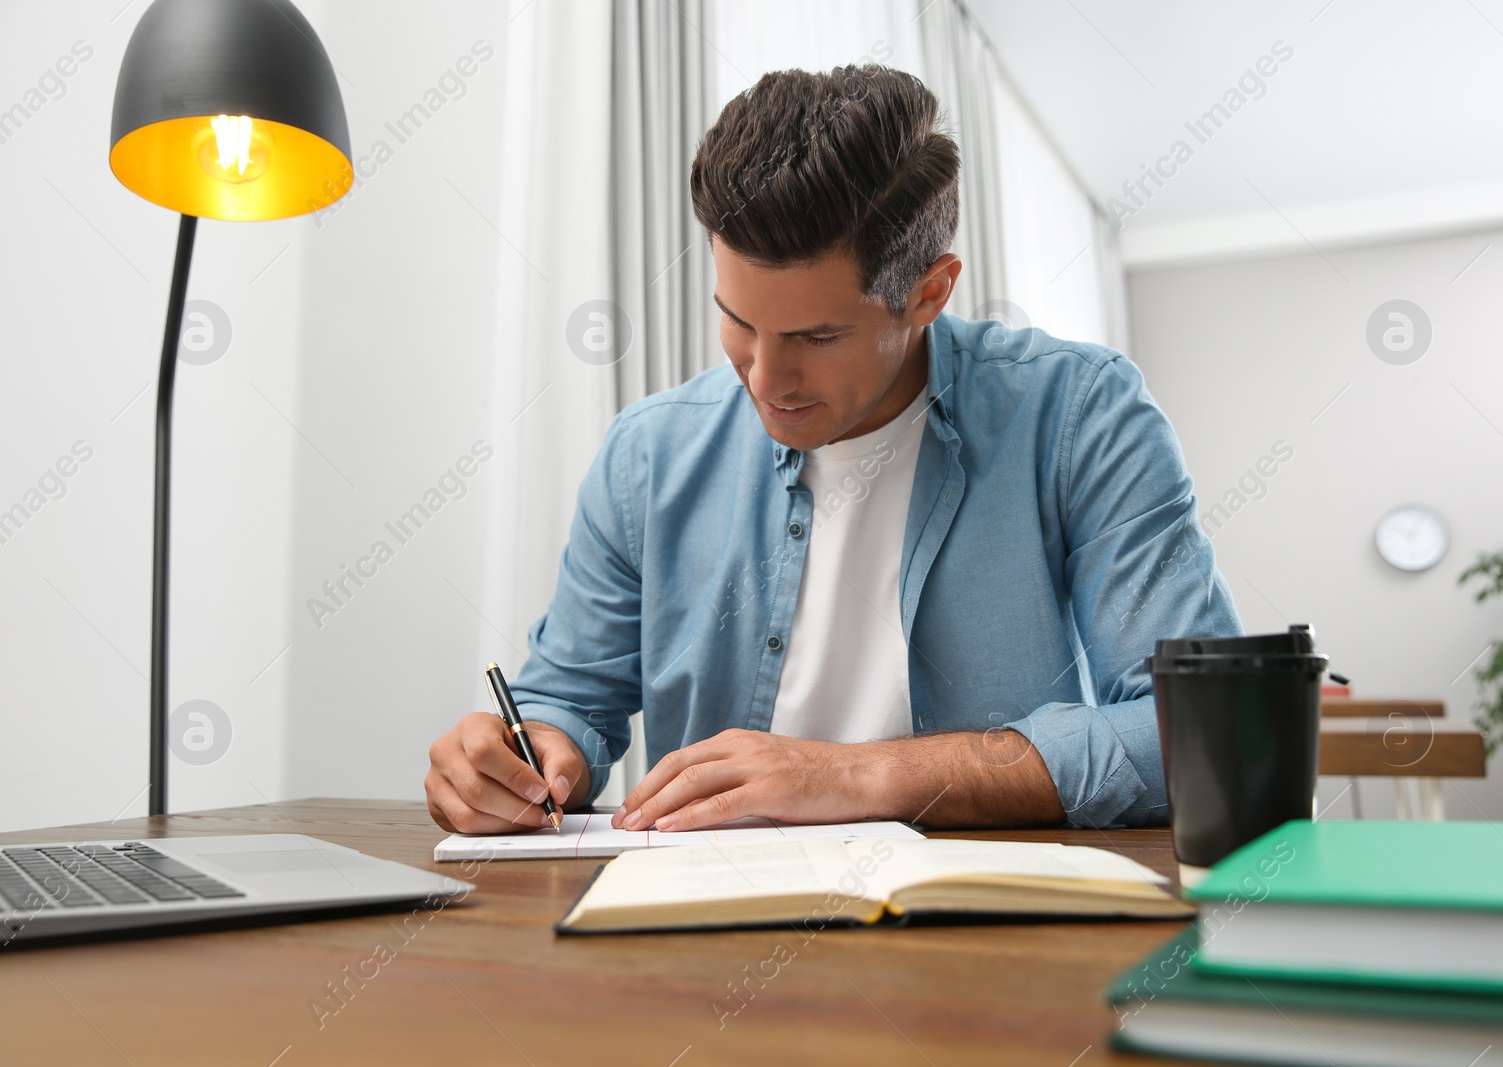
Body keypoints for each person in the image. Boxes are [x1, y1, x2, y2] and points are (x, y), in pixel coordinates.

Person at [425, 64, 1241, 836]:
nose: (765, 378)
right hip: (701, 929)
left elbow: (1206, 730)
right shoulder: (649, 453)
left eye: (817, 335)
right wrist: (523, 754)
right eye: (739, 322)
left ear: (929, 291)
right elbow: (566, 699)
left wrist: (859, 776)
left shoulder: (1080, 415)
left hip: (990, 932)